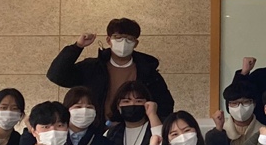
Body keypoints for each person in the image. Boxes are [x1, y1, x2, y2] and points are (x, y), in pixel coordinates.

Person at [47, 18, 175, 122]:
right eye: (118, 37)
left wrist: (153, 127)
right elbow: (56, 75)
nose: (123, 42)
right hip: (97, 129)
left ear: (136, 43)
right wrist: (77, 46)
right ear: (109, 40)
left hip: (135, 129)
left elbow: (165, 104)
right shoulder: (92, 68)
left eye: (129, 39)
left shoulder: (148, 72)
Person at [205, 61, 258, 145]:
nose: (240, 107)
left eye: (246, 102)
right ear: (228, 106)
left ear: (254, 103)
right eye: (234, 103)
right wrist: (218, 131)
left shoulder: (264, 132)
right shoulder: (218, 133)